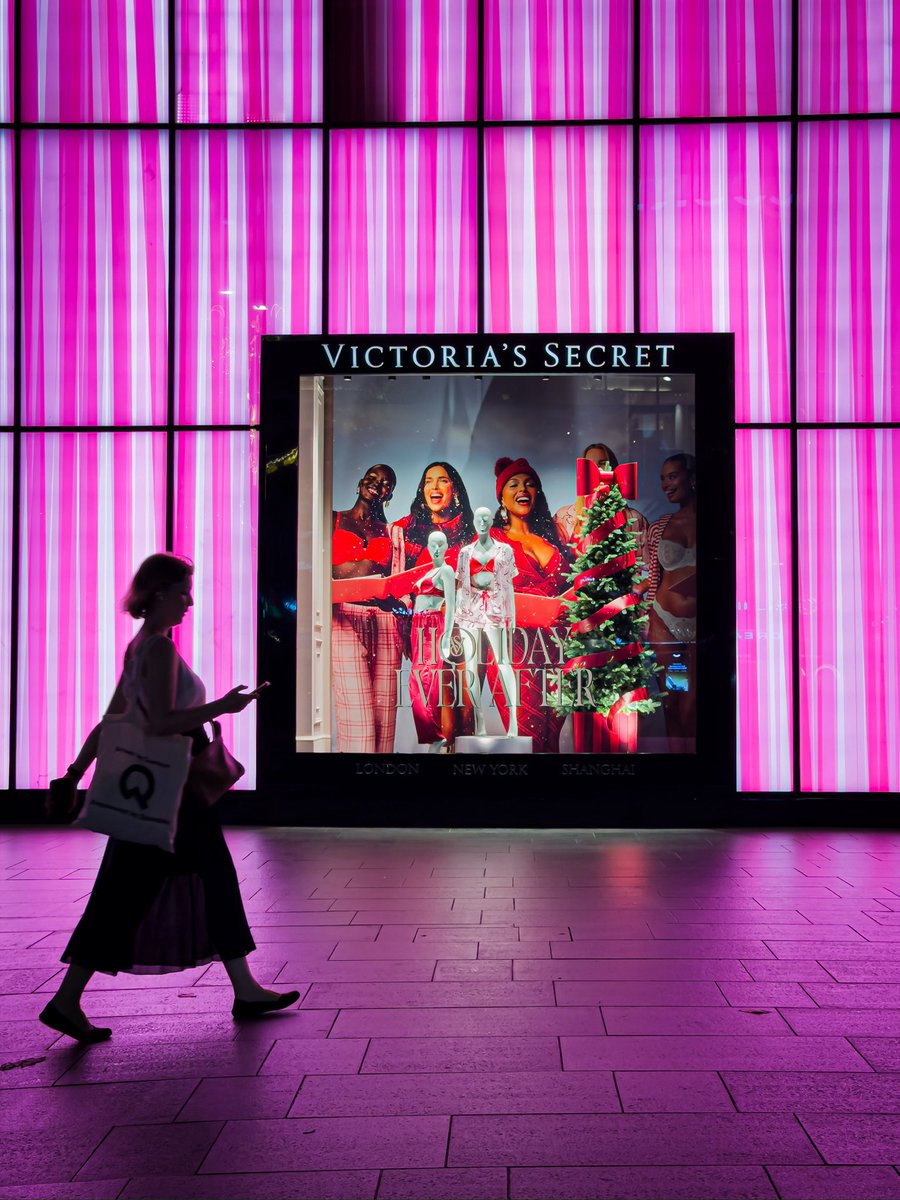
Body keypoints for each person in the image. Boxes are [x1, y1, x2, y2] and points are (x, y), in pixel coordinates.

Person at [39, 553, 295, 1044]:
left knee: (138, 889)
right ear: (159, 594)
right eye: (183, 591)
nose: (190, 600)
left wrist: (75, 773)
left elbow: (112, 721)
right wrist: (223, 704)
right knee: (155, 887)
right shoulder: (155, 651)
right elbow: (157, 723)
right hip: (172, 792)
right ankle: (70, 999)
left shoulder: (141, 649)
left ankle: (243, 989)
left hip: (164, 792)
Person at [491, 457, 572, 753]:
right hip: (512, 647)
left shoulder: (553, 537)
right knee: (530, 738)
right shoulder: (491, 540)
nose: (522, 489)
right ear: (501, 496)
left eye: (529, 483)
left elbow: (570, 590)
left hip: (557, 647)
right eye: (513, 484)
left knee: (553, 739)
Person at [332, 463, 402, 752]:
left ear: (390, 494)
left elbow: (396, 581)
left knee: (384, 722)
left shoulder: (391, 532)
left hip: (383, 621)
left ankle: (383, 796)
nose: (377, 483)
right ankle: (354, 794)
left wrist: (393, 602)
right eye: (373, 477)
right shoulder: (332, 518)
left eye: (386, 483)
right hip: (345, 617)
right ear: (361, 481)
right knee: (358, 725)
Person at [646, 453, 697, 747]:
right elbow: (654, 576)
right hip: (664, 623)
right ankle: (677, 768)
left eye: (673, 476)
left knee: (693, 704)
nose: (666, 484)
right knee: (673, 700)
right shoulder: (660, 526)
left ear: (692, 479)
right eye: (663, 478)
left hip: (700, 628)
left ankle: (698, 770)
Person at [456, 507, 519, 738]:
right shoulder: (465, 552)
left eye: (486, 518)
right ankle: (479, 722)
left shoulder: (505, 550)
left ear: (492, 521)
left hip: (495, 609)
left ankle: (513, 721)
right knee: (471, 667)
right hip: (469, 612)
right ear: (473, 521)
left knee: (504, 663)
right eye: (478, 518)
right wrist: (457, 616)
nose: (481, 522)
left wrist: (511, 617)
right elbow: (461, 586)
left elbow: (510, 586)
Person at [554, 442, 649, 578]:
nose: (596, 469)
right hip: (577, 596)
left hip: (622, 597)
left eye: (602, 463)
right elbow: (557, 568)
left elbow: (651, 570)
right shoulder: (564, 517)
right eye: (590, 464)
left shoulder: (633, 519)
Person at [409, 529, 457, 752]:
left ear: (447, 547)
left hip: (431, 626)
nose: (436, 549)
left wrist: (446, 635)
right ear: (427, 547)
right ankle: (432, 735)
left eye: (441, 544)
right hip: (417, 626)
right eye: (432, 544)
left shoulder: (446, 570)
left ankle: (436, 737)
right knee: (416, 681)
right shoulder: (428, 572)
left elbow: (451, 605)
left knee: (426, 679)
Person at [390, 461, 474, 572]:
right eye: (428, 481)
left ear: (455, 490)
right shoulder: (405, 528)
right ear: (423, 490)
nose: (434, 486)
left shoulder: (471, 534)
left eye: (443, 481)